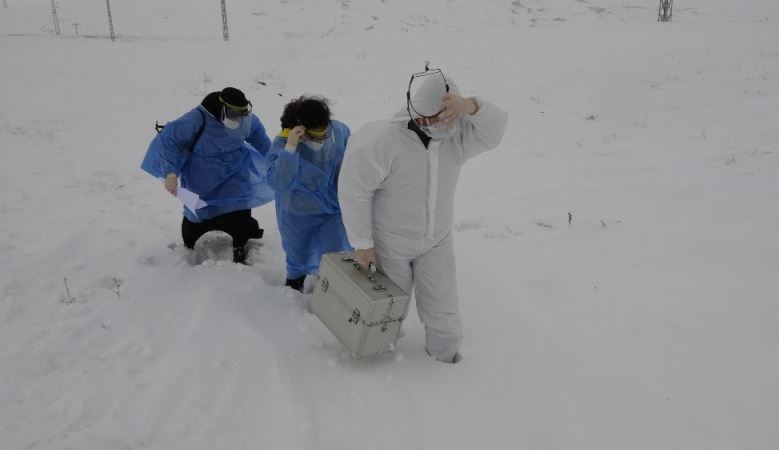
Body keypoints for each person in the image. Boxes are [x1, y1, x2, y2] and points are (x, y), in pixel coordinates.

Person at [338, 68, 508, 363]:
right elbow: (354, 190)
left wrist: (469, 105)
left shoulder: (458, 137)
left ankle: (445, 359)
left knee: (443, 307)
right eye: (420, 116)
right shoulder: (385, 140)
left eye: (434, 118)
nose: (424, 123)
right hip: (391, 242)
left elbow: (495, 131)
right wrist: (363, 243)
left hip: (436, 241)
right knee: (389, 307)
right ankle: (380, 360)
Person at [141, 87, 274, 264]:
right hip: (202, 174)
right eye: (234, 115)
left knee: (239, 209)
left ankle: (240, 246)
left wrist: (274, 160)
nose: (239, 119)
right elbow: (169, 140)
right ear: (223, 109)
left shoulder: (245, 118)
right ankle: (189, 244)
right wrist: (170, 173)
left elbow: (259, 137)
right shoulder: (197, 119)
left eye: (243, 114)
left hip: (237, 171)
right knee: (197, 214)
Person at [266, 96, 352, 291]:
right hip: (297, 211)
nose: (321, 139)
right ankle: (294, 285)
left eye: (324, 134)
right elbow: (277, 182)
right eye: (315, 136)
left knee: (337, 252)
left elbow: (348, 166)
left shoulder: (339, 131)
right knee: (298, 255)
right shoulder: (283, 143)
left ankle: (336, 290)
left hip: (331, 208)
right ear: (301, 130)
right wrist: (290, 149)